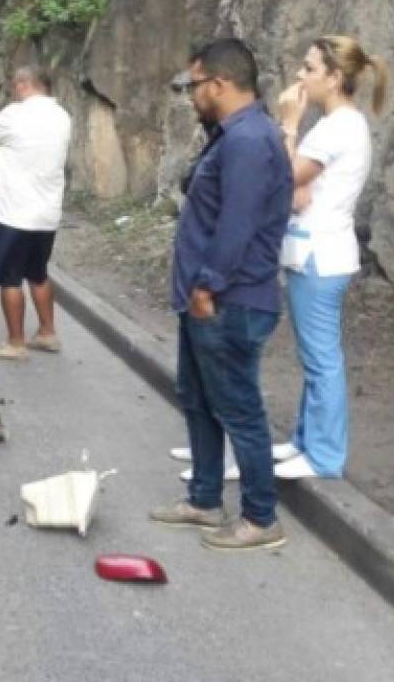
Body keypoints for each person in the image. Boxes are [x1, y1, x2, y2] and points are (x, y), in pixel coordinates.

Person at [149, 39, 293, 551]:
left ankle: (260, 518)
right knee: (198, 399)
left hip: (229, 300)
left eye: (194, 85)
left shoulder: (250, 140)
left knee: (239, 409)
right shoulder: (232, 135)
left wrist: (208, 285)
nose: (190, 96)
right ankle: (205, 499)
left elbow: (237, 225)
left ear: (219, 84)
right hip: (206, 298)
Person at [272, 36, 387, 479]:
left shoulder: (337, 127)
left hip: (320, 254)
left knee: (322, 359)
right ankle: (306, 441)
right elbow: (298, 192)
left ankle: (323, 456)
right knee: (315, 356)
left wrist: (288, 124)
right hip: (315, 249)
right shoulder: (340, 125)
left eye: (309, 68)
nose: (300, 76)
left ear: (335, 78)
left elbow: (285, 177)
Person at [0, 66, 72, 360]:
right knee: (38, 274)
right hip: (46, 214)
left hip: (14, 214)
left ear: (23, 84)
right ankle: (47, 333)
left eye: (14, 85)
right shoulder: (62, 117)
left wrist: (4, 109)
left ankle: (15, 343)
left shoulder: (15, 114)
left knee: (10, 278)